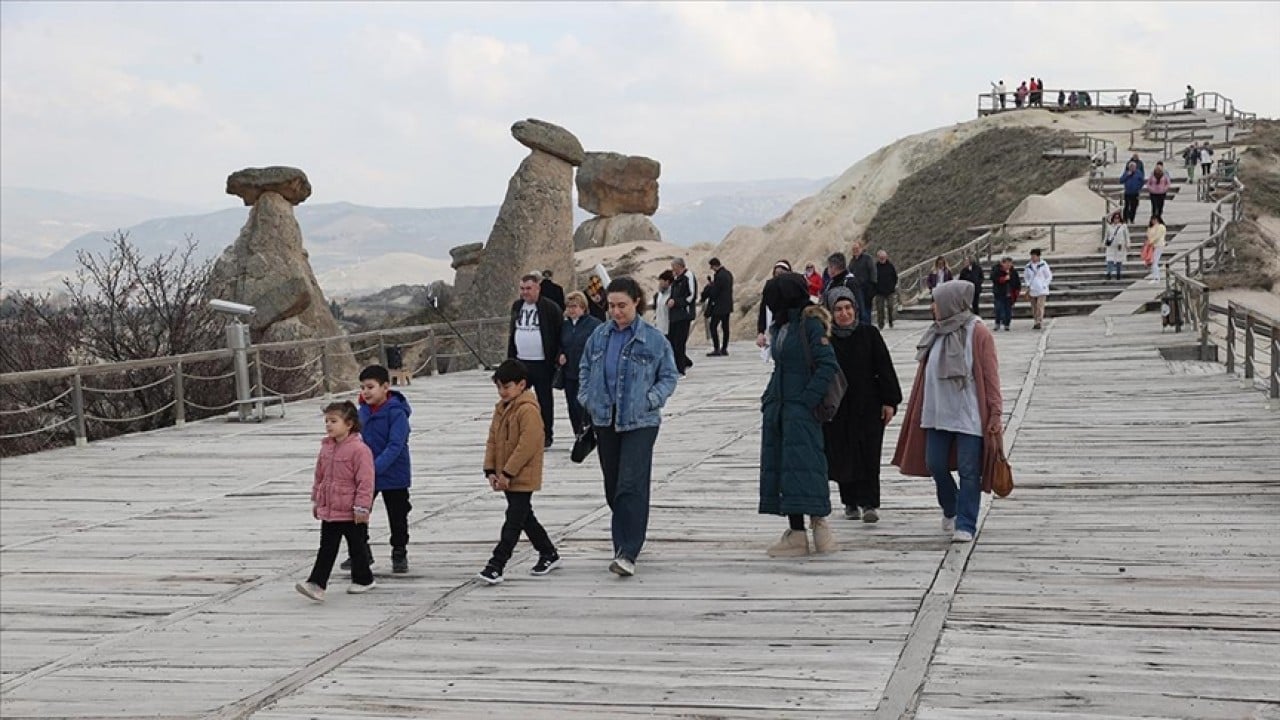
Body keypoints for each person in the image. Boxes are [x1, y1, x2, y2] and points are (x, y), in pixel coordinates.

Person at [578, 276, 679, 577]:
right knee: (613, 485)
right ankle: (624, 539)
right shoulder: (599, 335)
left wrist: (652, 398)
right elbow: (584, 366)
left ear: (637, 302)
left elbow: (669, 375)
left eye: (622, 305)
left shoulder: (653, 338)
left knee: (631, 483)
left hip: (640, 420)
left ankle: (628, 550)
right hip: (605, 419)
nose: (616, 312)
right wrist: (587, 397)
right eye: (611, 306)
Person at [892, 281, 1004, 544]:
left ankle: (965, 522)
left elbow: (990, 375)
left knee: (968, 469)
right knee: (935, 463)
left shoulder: (978, 333)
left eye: (936, 301)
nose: (933, 307)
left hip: (968, 413)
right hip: (936, 412)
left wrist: (996, 413)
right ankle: (951, 506)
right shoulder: (936, 332)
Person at [759, 272, 839, 557]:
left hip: (800, 409)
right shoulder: (782, 324)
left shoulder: (811, 322)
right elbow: (780, 365)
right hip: (779, 407)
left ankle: (820, 527)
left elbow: (828, 364)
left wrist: (806, 400)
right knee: (786, 470)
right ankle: (796, 533)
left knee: (808, 466)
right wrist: (768, 398)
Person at [475, 359, 560, 585]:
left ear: (521, 385)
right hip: (504, 475)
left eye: (507, 386)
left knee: (513, 520)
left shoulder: (528, 410)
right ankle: (548, 552)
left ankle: (496, 564)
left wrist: (509, 473)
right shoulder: (501, 409)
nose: (502, 392)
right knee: (525, 518)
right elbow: (492, 440)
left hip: (522, 476)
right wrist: (490, 470)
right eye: (499, 387)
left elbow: (528, 445)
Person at [823, 287, 902, 523]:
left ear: (855, 309)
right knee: (843, 453)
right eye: (838, 309)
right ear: (831, 312)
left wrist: (889, 401)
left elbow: (884, 368)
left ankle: (869, 503)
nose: (844, 313)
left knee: (869, 453)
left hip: (869, 405)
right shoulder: (826, 339)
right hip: (838, 408)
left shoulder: (869, 334)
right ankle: (849, 501)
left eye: (848, 308)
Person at [296, 401, 376, 602]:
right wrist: (317, 499)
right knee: (327, 547)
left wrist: (362, 507)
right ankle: (317, 584)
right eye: (326, 421)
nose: (329, 425)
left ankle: (364, 579)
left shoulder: (360, 450)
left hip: (351, 510)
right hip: (331, 509)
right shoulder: (326, 448)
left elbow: (366, 481)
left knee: (357, 546)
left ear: (349, 424)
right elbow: (320, 476)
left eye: (334, 421)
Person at [345, 365, 413, 575]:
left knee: (398, 515)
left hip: (394, 474)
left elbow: (396, 445)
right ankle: (361, 550)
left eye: (371, 387)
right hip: (366, 474)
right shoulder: (361, 412)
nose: (366, 392)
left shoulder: (396, 412)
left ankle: (399, 551)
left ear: (385, 387)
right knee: (357, 512)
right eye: (363, 387)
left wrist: (374, 468)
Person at [508, 273, 562, 448]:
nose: (525, 292)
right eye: (522, 289)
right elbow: (512, 333)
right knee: (517, 399)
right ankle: (519, 433)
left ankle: (546, 434)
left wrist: (558, 355)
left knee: (544, 400)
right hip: (521, 362)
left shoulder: (550, 308)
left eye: (528, 288)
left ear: (538, 288)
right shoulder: (517, 306)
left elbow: (560, 333)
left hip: (542, 363)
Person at [559, 291, 602, 439]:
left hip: (588, 372)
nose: (571, 310)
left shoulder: (594, 325)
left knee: (585, 405)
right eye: (569, 306)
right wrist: (560, 355)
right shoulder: (564, 326)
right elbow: (559, 345)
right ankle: (578, 435)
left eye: (575, 306)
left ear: (583, 307)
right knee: (572, 405)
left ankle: (593, 432)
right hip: (569, 372)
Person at [666, 258, 696, 376]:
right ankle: (680, 364)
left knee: (680, 342)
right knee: (672, 341)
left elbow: (691, 296)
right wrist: (669, 301)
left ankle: (680, 368)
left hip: (683, 314)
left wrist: (677, 302)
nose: (673, 270)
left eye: (674, 267)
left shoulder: (688, 277)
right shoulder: (676, 279)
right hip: (674, 315)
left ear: (680, 266)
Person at [756, 260, 793, 348]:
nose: (779, 276)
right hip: (776, 326)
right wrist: (761, 332)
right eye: (777, 273)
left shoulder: (794, 289)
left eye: (782, 273)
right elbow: (763, 310)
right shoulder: (770, 288)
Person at [702, 257, 735, 356]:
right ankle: (724, 348)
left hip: (719, 306)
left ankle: (717, 348)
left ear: (714, 265)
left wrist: (709, 288)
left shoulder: (719, 276)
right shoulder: (728, 274)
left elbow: (715, 292)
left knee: (713, 326)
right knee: (725, 327)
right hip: (727, 305)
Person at [848, 241, 877, 326]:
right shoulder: (852, 261)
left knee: (866, 309)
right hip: (856, 288)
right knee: (860, 309)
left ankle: (867, 327)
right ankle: (863, 327)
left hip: (867, 287)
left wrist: (873, 285)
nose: (855, 250)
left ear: (861, 249)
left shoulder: (867, 258)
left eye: (857, 248)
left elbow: (873, 271)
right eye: (854, 249)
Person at [1023, 249, 1053, 330]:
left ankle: (1039, 321)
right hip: (1032, 289)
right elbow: (1026, 277)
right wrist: (1028, 284)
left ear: (1038, 256)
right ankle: (1035, 320)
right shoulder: (1028, 266)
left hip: (1042, 289)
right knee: (1034, 307)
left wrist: (1044, 284)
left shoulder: (1043, 265)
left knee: (1040, 306)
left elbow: (1049, 276)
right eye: (1031, 256)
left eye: (1034, 256)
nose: (1032, 258)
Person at [989, 256, 1020, 331]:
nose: (1008, 265)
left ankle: (1007, 324)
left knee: (1008, 310)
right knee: (998, 308)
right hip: (999, 293)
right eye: (1007, 264)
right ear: (1002, 263)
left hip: (1010, 293)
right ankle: (997, 323)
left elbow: (1017, 283)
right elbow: (993, 278)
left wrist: (1017, 292)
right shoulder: (996, 269)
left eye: (1010, 264)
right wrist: (1003, 279)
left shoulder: (1013, 271)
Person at [873, 250, 899, 330]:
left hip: (890, 291)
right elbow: (873, 278)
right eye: (881, 257)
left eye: (883, 257)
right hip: (879, 292)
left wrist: (892, 286)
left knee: (890, 306)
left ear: (886, 257)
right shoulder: (875, 267)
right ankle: (881, 324)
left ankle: (891, 320)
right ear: (878, 258)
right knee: (880, 308)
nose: (882, 259)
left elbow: (895, 277)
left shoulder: (890, 266)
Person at [1103, 211, 1130, 281]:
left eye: (1118, 218)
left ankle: (1118, 274)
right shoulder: (1110, 227)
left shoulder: (1123, 226)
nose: (1116, 220)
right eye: (1115, 218)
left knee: (1119, 260)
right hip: (1111, 245)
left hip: (1120, 245)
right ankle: (1109, 273)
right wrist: (1104, 243)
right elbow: (1106, 235)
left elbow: (1126, 236)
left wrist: (1128, 244)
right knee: (1110, 259)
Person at [1144, 216, 1167, 283]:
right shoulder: (1151, 227)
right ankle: (1155, 276)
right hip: (1152, 246)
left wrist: (1151, 241)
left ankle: (1156, 278)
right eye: (1152, 220)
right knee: (1152, 261)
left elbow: (1158, 236)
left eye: (1155, 220)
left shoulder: (1161, 226)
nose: (1153, 221)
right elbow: (1148, 235)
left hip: (1159, 245)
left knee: (1155, 261)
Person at [652, 270, 673, 335]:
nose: (660, 285)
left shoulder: (673, 295)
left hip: (670, 328)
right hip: (659, 328)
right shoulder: (658, 295)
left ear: (667, 282)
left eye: (661, 283)